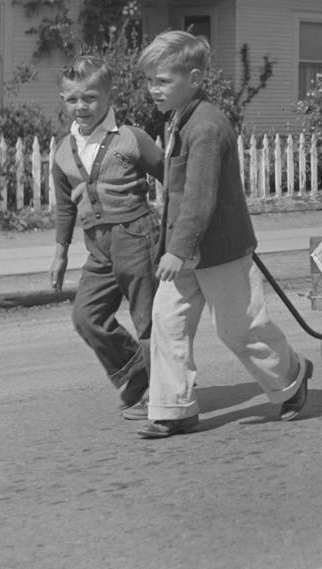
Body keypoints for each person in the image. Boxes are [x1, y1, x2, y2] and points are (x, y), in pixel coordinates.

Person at [133, 30, 312, 439]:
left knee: (240, 328)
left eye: (162, 81)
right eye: (149, 81)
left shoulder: (207, 126)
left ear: (194, 79)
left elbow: (199, 196)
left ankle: (291, 376)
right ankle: (173, 408)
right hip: (185, 250)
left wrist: (178, 249)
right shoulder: (181, 118)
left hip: (219, 249)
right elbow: (179, 186)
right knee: (167, 322)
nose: (153, 90)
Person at [50, 56, 163, 414]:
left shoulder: (130, 138)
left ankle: (163, 393)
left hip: (136, 236)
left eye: (90, 98)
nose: (80, 107)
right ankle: (136, 370)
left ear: (108, 96)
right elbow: (66, 205)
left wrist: (178, 231)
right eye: (72, 99)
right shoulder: (62, 150)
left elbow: (172, 177)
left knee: (147, 318)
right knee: (86, 316)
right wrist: (60, 252)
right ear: (63, 99)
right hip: (97, 247)